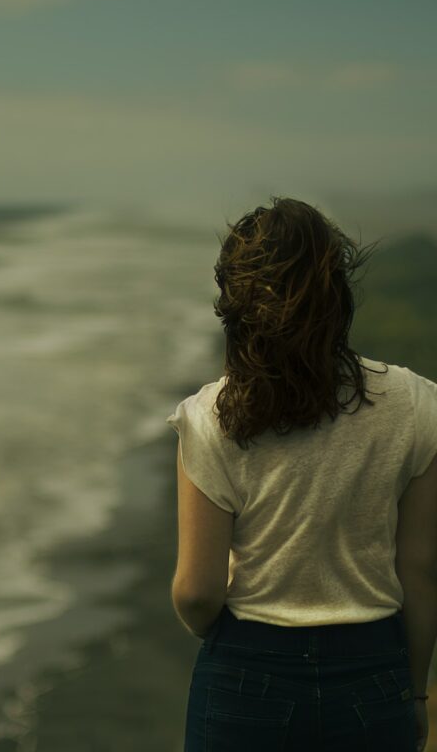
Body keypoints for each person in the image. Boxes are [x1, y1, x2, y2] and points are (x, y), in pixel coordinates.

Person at [166, 197, 437, 751]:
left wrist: (226, 646)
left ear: (236, 305)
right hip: (372, 671)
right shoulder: (416, 404)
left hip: (247, 673)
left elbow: (197, 593)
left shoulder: (210, 418)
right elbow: (422, 569)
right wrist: (414, 694)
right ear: (337, 295)